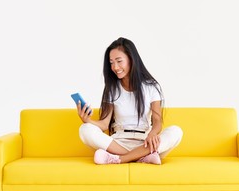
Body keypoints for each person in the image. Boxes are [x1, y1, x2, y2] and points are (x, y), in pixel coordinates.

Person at [75, 37, 183, 165]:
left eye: (119, 61)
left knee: (176, 131)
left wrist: (153, 133)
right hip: (119, 142)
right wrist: (87, 120)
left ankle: (120, 159)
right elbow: (104, 124)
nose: (115, 67)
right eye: (111, 62)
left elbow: (157, 121)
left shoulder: (151, 87)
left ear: (131, 59)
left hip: (145, 142)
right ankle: (142, 157)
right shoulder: (112, 89)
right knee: (85, 129)